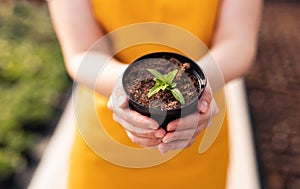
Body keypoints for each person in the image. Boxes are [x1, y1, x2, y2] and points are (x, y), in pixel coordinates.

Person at [48, 0, 262, 188]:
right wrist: (125, 84)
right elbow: (82, 50)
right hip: (107, 141)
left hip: (199, 136)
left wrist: (199, 89)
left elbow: (237, 42)